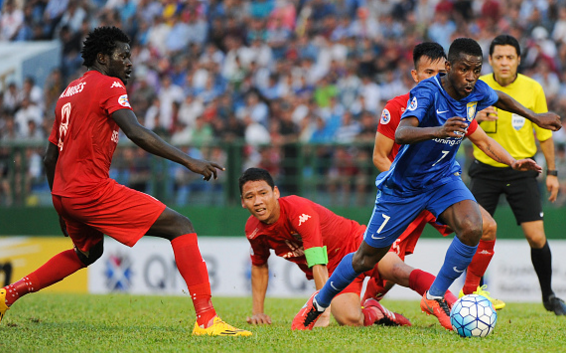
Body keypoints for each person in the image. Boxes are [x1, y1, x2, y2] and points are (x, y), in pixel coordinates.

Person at [292, 37, 560, 331]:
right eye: (463, 69)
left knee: (474, 226)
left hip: (443, 179)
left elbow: (500, 98)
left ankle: (435, 295)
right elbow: (403, 132)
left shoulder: (476, 91)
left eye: (476, 69)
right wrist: (439, 130)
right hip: (404, 188)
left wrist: (535, 119)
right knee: (364, 259)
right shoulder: (427, 92)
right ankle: (317, 304)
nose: (471, 77)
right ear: (448, 67)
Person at [0, 26, 251, 337]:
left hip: (63, 193)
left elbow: (50, 158)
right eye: (124, 56)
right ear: (103, 58)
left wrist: (60, 205)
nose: (130, 62)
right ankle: (207, 320)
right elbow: (137, 132)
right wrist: (190, 161)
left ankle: (7, 295)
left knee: (88, 253)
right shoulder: (109, 85)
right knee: (181, 226)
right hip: (90, 191)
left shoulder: (67, 93)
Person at [370, 42, 505, 312]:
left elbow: (484, 142)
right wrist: (404, 190)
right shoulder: (396, 107)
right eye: (427, 72)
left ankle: (471, 293)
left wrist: (513, 162)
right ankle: (369, 299)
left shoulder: (458, 103)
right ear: (415, 75)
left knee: (484, 226)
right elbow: (379, 157)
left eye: (439, 71)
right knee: (389, 263)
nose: (435, 78)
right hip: (405, 193)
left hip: (438, 189)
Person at [239, 167, 424, 328]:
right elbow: (259, 265)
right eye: (250, 197)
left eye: (263, 193)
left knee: (397, 271)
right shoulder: (253, 230)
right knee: (351, 320)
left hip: (357, 245)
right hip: (335, 270)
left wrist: (321, 312)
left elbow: (316, 260)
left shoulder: (298, 210)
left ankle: (442, 298)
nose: (257, 201)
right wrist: (258, 312)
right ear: (243, 202)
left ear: (276, 192)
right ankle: (376, 312)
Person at [470, 34, 566, 316]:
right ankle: (473, 293)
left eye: (509, 57)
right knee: (471, 233)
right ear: (490, 60)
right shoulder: (477, 85)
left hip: (523, 170)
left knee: (536, 237)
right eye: (498, 57)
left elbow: (544, 135)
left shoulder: (532, 88)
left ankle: (548, 296)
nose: (504, 62)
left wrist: (552, 172)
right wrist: (476, 118)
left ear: (519, 60)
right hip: (485, 169)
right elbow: (457, 122)